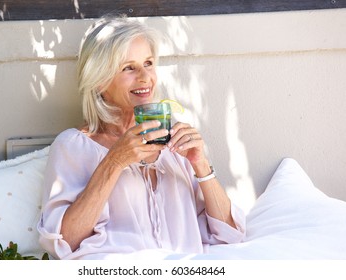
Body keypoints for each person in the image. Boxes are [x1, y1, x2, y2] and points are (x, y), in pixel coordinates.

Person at [37, 15, 245, 260]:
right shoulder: (73, 146)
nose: (145, 77)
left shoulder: (174, 141)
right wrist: (114, 162)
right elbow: (64, 243)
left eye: (148, 63)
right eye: (128, 68)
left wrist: (200, 165)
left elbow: (231, 235)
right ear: (100, 80)